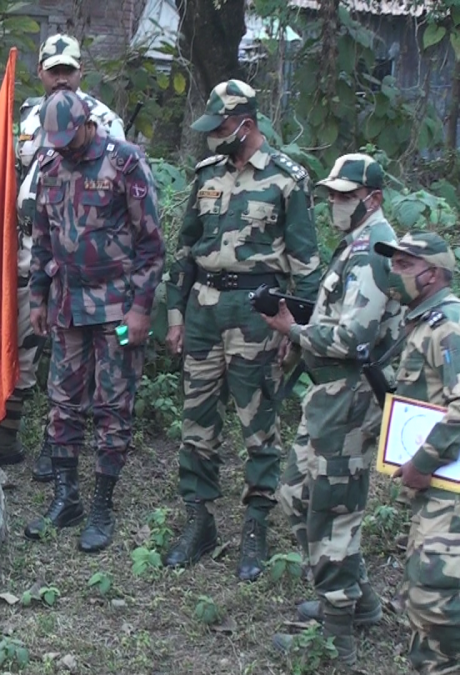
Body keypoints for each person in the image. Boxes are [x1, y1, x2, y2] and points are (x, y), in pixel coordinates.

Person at [162, 79, 323, 582]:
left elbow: (307, 267)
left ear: (246, 125)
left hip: (258, 314)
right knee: (197, 422)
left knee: (258, 426)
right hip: (204, 310)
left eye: (222, 127)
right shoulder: (207, 175)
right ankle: (199, 520)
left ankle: (255, 526)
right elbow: (186, 250)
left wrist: (293, 330)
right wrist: (175, 313)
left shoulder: (286, 180)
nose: (214, 137)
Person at [264, 154, 401, 666]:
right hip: (329, 396)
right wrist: (301, 331)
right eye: (333, 195)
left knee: (332, 509)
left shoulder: (373, 251)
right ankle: (357, 599)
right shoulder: (355, 247)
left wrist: (292, 330)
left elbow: (351, 336)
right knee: (298, 495)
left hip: (350, 397)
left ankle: (336, 637)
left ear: (373, 198)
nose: (334, 204)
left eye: (345, 196)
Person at [22, 91, 164, 552]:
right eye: (56, 141)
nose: (64, 148)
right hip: (67, 305)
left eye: (70, 139)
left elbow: (150, 244)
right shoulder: (49, 167)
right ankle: (67, 498)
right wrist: (38, 298)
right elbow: (42, 240)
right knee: (62, 402)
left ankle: (102, 504)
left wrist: (142, 308)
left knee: (112, 404)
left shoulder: (125, 164)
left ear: (88, 125)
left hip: (118, 309)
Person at [0, 31, 127, 474]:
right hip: (32, 247)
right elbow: (11, 177)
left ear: (80, 71)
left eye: (67, 70)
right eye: (53, 71)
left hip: (85, 255)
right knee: (22, 340)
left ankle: (59, 445)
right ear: (41, 72)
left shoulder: (104, 119)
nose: (60, 79)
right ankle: (7, 434)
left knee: (73, 354)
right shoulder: (26, 118)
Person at [372, 231, 460, 674]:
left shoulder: (449, 326)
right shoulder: (421, 322)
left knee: (436, 600)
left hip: (449, 488)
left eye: (405, 264)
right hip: (435, 486)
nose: (394, 272)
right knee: (423, 601)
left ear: (433, 273)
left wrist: (422, 462)